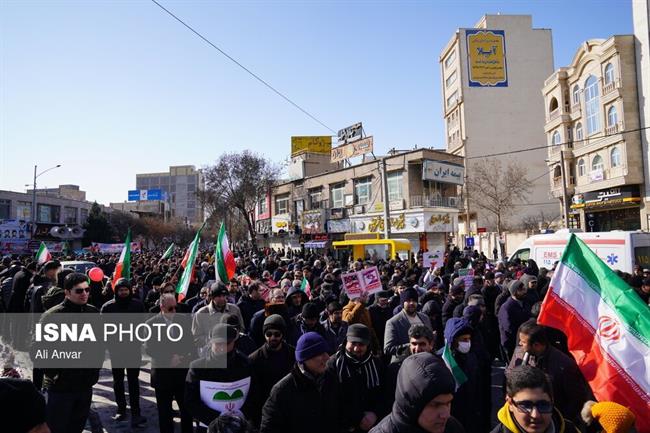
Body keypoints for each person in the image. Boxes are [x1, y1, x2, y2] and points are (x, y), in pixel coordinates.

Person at [39, 272, 102, 433]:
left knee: (77, 427)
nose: (85, 294)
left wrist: (94, 372)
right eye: (79, 291)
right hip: (61, 388)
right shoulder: (53, 316)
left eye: (87, 290)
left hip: (84, 385)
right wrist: (55, 374)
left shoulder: (93, 313)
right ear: (67, 292)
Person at [509, 321, 593, 424]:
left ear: (537, 345)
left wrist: (558, 422)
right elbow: (509, 376)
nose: (520, 344)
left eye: (523, 342)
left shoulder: (564, 365)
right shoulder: (519, 353)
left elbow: (576, 400)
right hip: (523, 417)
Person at [260, 332, 340, 433]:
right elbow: (269, 428)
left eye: (326, 352)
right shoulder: (282, 391)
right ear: (305, 358)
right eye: (320, 354)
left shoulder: (331, 379)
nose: (327, 357)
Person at [370, 352, 465, 433]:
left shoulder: (452, 428)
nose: (445, 415)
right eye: (436, 405)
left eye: (448, 403)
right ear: (412, 404)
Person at [185, 323, 254, 432]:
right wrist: (217, 420)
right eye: (218, 343)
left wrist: (241, 415)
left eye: (227, 343)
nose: (222, 348)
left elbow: (254, 394)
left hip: (238, 425)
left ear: (234, 342)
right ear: (211, 341)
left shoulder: (245, 364)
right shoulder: (198, 367)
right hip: (208, 425)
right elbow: (190, 401)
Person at [100, 277, 146, 427]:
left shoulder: (137, 305)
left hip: (133, 349)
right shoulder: (108, 308)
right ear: (116, 291)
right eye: (121, 290)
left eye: (126, 290)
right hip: (116, 351)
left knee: (133, 382)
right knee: (118, 381)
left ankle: (136, 411)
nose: (124, 292)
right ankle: (121, 409)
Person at [145, 293, 194, 433]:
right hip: (162, 375)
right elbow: (150, 348)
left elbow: (190, 344)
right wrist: (168, 359)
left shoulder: (183, 320)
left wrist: (181, 357)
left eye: (175, 308)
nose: (174, 311)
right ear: (162, 307)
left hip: (181, 372)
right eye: (170, 308)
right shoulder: (151, 324)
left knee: (186, 410)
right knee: (164, 413)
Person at [327, 324, 384, 432]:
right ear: (346, 341)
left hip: (373, 425)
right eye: (353, 343)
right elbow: (331, 401)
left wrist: (375, 414)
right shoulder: (334, 364)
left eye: (361, 344)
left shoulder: (376, 363)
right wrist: (357, 419)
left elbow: (384, 394)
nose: (357, 348)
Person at [491, 365, 579, 433]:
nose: (535, 415)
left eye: (543, 405)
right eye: (526, 405)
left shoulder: (570, 430)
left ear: (552, 401)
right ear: (510, 403)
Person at [248, 314, 295, 426]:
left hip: (289, 409)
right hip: (265, 412)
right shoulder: (254, 359)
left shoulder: (293, 354)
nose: (273, 338)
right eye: (268, 334)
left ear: (282, 335)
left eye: (277, 334)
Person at [440, 318, 485, 433]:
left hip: (470, 410)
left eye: (469, 339)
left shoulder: (471, 357)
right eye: (463, 340)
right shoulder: (443, 360)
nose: (467, 343)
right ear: (453, 340)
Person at [192, 282, 245, 356]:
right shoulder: (201, 314)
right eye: (219, 296)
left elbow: (241, 329)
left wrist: (231, 338)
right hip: (209, 355)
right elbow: (196, 338)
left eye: (224, 296)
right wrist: (214, 340)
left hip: (231, 353)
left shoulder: (234, 309)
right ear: (212, 297)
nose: (222, 298)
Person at [384, 287, 432, 363]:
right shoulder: (393, 322)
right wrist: (413, 345)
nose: (411, 303)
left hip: (425, 361)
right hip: (404, 363)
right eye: (408, 301)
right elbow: (388, 349)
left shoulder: (425, 318)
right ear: (403, 303)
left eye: (414, 301)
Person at [498, 280, 531, 361]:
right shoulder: (506, 307)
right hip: (511, 343)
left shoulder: (525, 302)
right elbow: (508, 328)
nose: (524, 291)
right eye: (521, 290)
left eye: (524, 289)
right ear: (515, 292)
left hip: (523, 340)